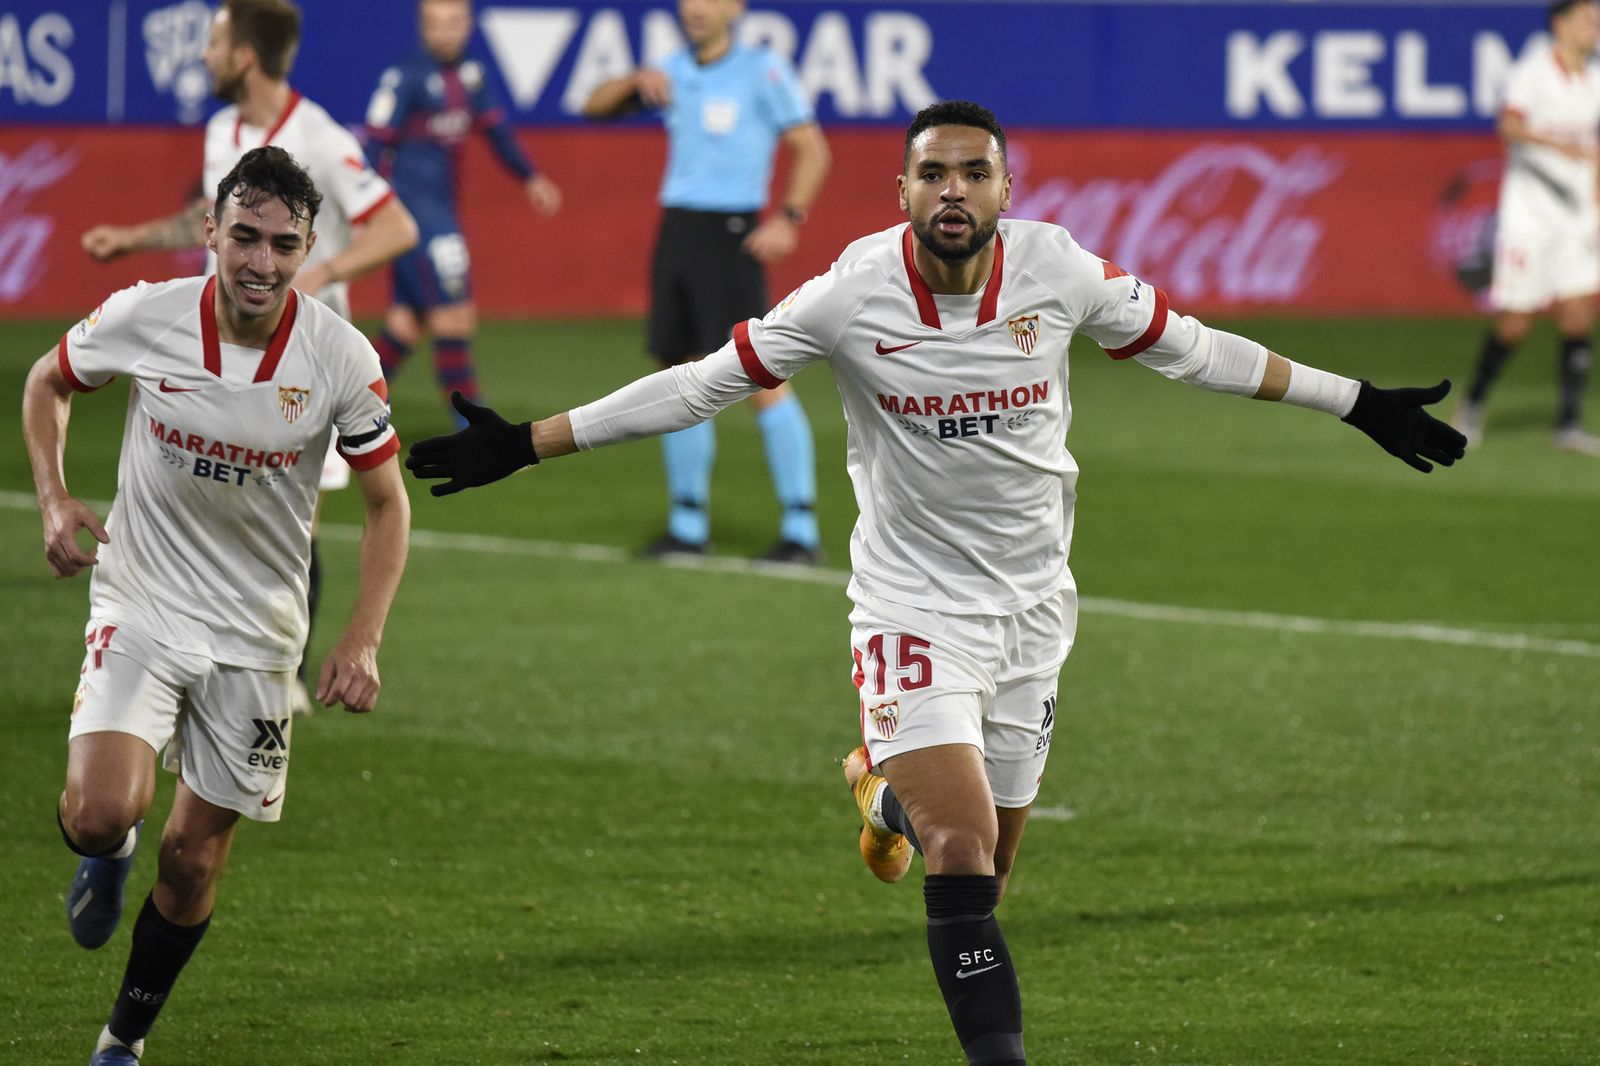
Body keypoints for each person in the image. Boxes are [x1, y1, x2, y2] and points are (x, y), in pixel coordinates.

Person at [405, 100, 1466, 1063]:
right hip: (911, 609)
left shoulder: (1059, 271)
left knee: (989, 876)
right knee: (959, 848)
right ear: (902, 191)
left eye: (973, 173)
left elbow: (1194, 350)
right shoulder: (850, 294)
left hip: (1035, 611)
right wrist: (529, 443)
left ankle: (881, 791)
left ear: (1006, 189)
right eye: (932, 174)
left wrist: (1356, 401)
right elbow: (701, 385)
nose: (952, 190)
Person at [26, 147, 410, 1066]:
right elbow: (48, 381)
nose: (260, 262)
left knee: (193, 860)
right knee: (98, 812)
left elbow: (386, 504)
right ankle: (107, 850)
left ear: (309, 248)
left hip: (259, 636)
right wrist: (54, 497)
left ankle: (122, 1041)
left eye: (283, 244)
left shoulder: (341, 357)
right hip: (143, 600)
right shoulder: (146, 315)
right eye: (244, 236)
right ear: (211, 230)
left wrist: (362, 637)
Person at [80, 0, 420, 714]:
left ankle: (280, 677)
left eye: (213, 42)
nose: (204, 55)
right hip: (217, 351)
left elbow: (396, 226)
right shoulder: (222, 131)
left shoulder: (319, 137)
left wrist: (317, 276)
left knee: (289, 525)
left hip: (302, 366)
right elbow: (212, 217)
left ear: (243, 56)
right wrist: (133, 239)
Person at [582, 0, 831, 563]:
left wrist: (788, 218)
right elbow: (593, 107)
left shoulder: (763, 69)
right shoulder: (671, 69)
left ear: (735, 8)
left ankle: (801, 528)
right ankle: (687, 525)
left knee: (761, 377)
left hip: (730, 232)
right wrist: (634, 81)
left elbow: (813, 150)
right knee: (677, 374)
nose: (694, 8)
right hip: (679, 229)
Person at [362, 0, 562, 424]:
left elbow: (497, 130)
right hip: (416, 218)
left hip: (441, 211)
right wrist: (368, 211)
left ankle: (343, 409)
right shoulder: (405, 75)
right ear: (422, 27)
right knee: (455, 318)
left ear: (468, 24)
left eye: (453, 23)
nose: (444, 32)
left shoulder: (472, 73)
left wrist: (531, 177)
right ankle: (476, 431)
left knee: (406, 324)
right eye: (435, 24)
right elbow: (375, 143)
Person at [1457, 0, 1600, 456]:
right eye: (1588, 19)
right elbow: (1509, 124)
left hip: (1577, 219)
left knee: (1578, 314)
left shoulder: (1593, 79)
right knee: (1516, 323)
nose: (1595, 27)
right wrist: (1554, 142)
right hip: (1531, 220)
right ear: (1562, 24)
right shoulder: (1533, 71)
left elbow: (1594, 150)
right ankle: (1471, 404)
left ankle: (1569, 424)